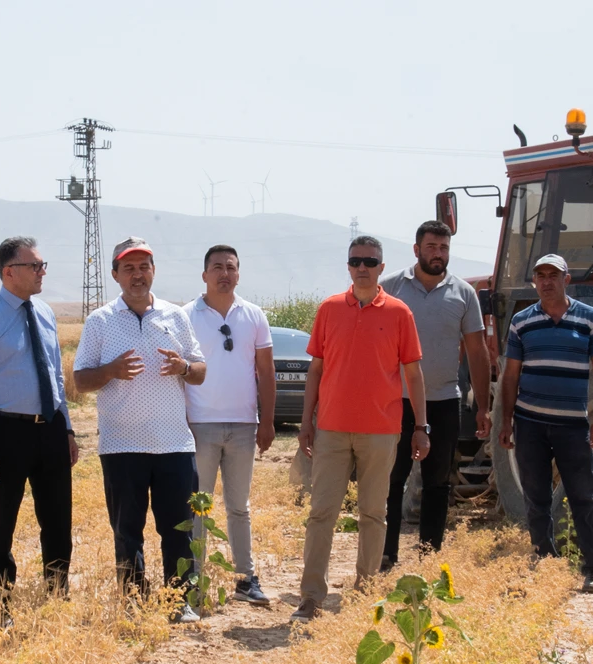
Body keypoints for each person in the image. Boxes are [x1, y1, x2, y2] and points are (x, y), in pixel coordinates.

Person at [291, 236, 428, 622]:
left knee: (373, 513)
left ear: (382, 267)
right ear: (348, 266)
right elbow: (315, 370)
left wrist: (421, 426)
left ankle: (366, 592)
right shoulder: (330, 309)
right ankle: (311, 597)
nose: (362, 267)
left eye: (370, 260)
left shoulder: (400, 313)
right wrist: (306, 423)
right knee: (322, 513)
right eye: (356, 261)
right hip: (331, 429)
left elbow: (413, 375)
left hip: (381, 431)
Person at [74, 237, 208, 624]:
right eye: (129, 268)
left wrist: (183, 367)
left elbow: (200, 371)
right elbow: (81, 380)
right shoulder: (100, 321)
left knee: (178, 530)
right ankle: (133, 602)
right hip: (121, 446)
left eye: (144, 266)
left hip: (174, 445)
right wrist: (111, 371)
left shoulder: (175, 316)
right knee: (127, 532)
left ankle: (178, 602)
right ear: (115, 275)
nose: (137, 274)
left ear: (154, 271)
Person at [0, 237, 78, 622]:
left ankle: (56, 597)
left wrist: (69, 430)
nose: (43, 272)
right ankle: (1, 606)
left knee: (58, 521)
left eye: (44, 265)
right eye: (35, 266)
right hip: (6, 433)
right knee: (1, 525)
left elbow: (56, 376)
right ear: (9, 272)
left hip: (52, 429)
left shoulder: (45, 313)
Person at [379, 220, 490, 569]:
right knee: (392, 480)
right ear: (416, 250)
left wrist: (484, 406)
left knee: (438, 481)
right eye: (431, 247)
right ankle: (386, 555)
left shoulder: (463, 293)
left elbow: (476, 350)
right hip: (395, 401)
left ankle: (430, 556)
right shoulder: (390, 288)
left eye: (443, 248)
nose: (438, 254)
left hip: (443, 400)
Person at [498, 254, 593, 594]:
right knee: (536, 496)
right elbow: (511, 374)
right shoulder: (521, 321)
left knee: (583, 498)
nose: (546, 281)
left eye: (553, 275)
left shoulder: (589, 319)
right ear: (534, 280)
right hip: (530, 424)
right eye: (540, 275)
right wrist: (506, 420)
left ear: (566, 279)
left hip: (573, 426)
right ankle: (545, 561)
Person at [182, 245, 275, 606]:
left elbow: (265, 371)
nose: (224, 273)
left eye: (231, 268)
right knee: (198, 507)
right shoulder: (186, 315)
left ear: (239, 273)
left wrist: (266, 421)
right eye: (217, 267)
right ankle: (194, 580)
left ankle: (245, 578)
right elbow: (179, 374)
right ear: (204, 275)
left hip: (242, 427)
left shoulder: (253, 315)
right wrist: (183, 423)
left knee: (239, 507)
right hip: (199, 427)